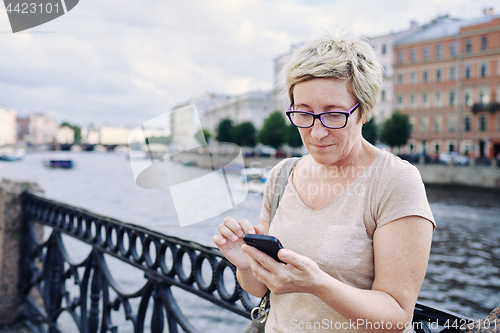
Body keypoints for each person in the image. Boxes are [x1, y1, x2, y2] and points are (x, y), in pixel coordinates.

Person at [213, 32, 435, 333]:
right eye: (303, 113)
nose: (316, 133)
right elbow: (262, 289)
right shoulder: (283, 174)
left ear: (364, 110)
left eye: (333, 114)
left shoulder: (395, 181)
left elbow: (395, 317)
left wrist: (318, 284)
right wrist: (245, 263)